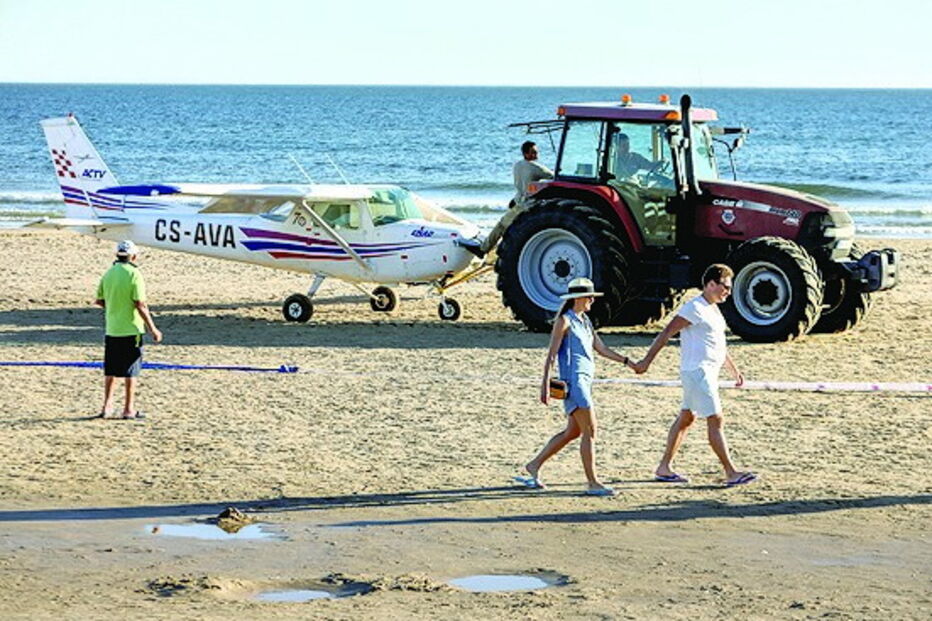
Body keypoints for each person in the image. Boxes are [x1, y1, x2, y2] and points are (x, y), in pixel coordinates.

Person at [632, 264, 756, 486]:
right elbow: (666, 333)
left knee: (686, 418)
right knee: (716, 419)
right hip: (698, 372)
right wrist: (646, 362)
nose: (728, 291)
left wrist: (733, 369)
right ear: (710, 284)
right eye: (725, 286)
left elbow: (717, 344)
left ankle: (664, 467)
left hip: (705, 372)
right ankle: (731, 471)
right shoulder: (694, 308)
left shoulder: (713, 309)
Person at [515, 277, 637, 496]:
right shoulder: (565, 321)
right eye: (589, 296)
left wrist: (628, 362)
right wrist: (544, 385)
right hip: (575, 383)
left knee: (572, 432)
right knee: (590, 430)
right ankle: (593, 483)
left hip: (585, 382)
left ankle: (533, 466)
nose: (592, 300)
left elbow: (601, 348)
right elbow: (551, 355)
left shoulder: (585, 321)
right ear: (579, 298)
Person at [94, 240, 162, 419]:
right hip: (131, 329)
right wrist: (152, 328)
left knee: (111, 369)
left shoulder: (108, 274)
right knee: (131, 370)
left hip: (113, 329)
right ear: (133, 256)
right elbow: (140, 304)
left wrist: (114, 308)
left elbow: (99, 300)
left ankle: (107, 406)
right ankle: (128, 409)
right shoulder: (134, 274)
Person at [457, 140, 553, 258]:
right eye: (533, 152)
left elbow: (520, 185)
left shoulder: (517, 165)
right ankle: (485, 250)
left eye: (536, 152)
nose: (536, 155)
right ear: (526, 154)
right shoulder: (536, 167)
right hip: (526, 204)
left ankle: (486, 249)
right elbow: (554, 177)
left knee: (503, 225)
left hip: (518, 200)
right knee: (503, 226)